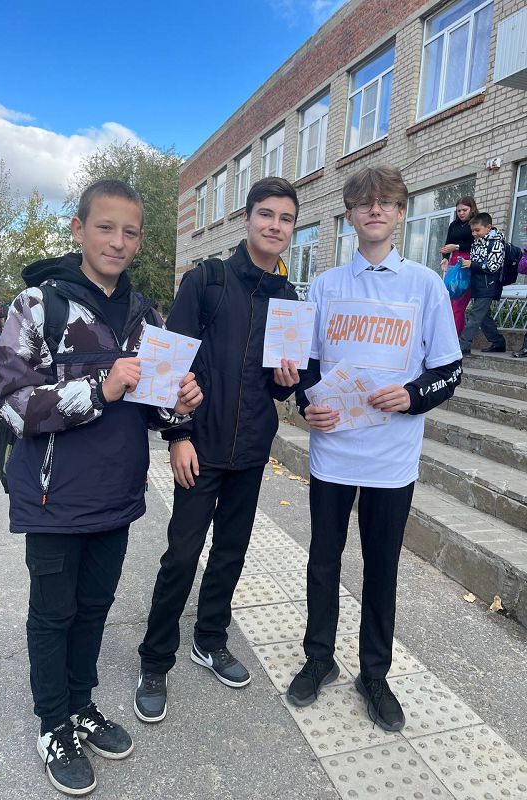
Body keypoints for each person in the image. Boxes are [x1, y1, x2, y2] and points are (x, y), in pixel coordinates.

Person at [0, 179, 203, 797]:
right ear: (79, 230)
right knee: (52, 614)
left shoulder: (146, 313)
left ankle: (81, 705)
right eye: (105, 227)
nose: (117, 241)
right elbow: (12, 404)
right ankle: (53, 724)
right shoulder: (38, 305)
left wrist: (180, 404)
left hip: (116, 494)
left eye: (130, 232)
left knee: (94, 608)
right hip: (53, 498)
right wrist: (101, 389)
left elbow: (155, 404)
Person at [286, 165, 462, 732]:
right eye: (365, 203)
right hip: (333, 453)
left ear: (402, 213)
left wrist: (412, 396)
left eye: (386, 202)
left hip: (392, 460)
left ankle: (375, 674)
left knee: (381, 567)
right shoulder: (326, 285)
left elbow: (449, 370)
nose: (376, 210)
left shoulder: (425, 286)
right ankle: (319, 659)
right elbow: (305, 365)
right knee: (322, 560)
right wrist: (305, 403)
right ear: (349, 215)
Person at [134, 177, 301, 723]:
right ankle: (155, 659)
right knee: (182, 556)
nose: (275, 225)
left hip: (251, 449)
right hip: (199, 446)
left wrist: (287, 380)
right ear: (246, 219)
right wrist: (178, 436)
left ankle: (210, 639)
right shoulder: (205, 280)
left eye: (286, 218)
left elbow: (278, 387)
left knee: (231, 552)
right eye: (266, 214)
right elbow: (164, 369)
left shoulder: (288, 299)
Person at [458, 212, 506, 355]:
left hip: (489, 285)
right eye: (472, 231)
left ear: (488, 227)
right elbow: (475, 263)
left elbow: (493, 266)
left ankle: (463, 345)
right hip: (478, 284)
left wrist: (472, 264)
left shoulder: (496, 243)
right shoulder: (476, 243)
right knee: (484, 317)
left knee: (475, 316)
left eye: (477, 230)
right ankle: (498, 342)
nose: (474, 234)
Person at [439, 196, 478, 336]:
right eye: (459, 210)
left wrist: (456, 247)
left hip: (467, 264)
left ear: (472, 209)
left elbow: (477, 244)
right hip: (453, 264)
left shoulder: (476, 223)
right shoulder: (454, 225)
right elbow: (447, 243)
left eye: (464, 210)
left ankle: (454, 338)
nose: (461, 213)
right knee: (449, 301)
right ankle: (450, 335)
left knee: (459, 303)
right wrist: (445, 258)